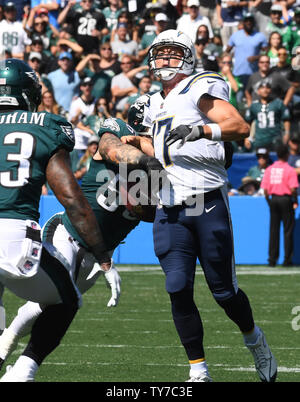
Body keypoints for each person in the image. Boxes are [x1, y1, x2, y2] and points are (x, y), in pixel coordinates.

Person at [142, 29, 277, 382]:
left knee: (224, 291)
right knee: (176, 287)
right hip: (169, 205)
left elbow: (239, 126)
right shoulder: (153, 103)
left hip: (206, 199)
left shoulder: (199, 86)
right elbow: (159, 150)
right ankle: (198, 370)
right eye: (160, 53)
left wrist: (202, 132)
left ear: (187, 57)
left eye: (172, 53)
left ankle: (254, 339)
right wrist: (120, 137)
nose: (165, 60)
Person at [0, 98, 161, 377]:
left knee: (55, 304)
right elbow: (112, 148)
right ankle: (9, 353)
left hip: (100, 248)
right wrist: (147, 160)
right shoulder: (120, 130)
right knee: (57, 301)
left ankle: (13, 356)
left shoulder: (166, 157)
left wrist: (148, 195)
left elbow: (147, 212)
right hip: (71, 232)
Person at [0, 58, 114, 382]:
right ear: (28, 94)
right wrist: (103, 257)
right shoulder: (46, 126)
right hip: (13, 235)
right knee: (67, 299)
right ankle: (22, 372)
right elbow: (72, 200)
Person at [261, 144, 299, 267]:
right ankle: (287, 259)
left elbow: (265, 190)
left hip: (274, 199)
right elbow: (293, 189)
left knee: (274, 230)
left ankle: (272, 259)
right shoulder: (290, 170)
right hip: (286, 199)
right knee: (288, 230)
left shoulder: (269, 169)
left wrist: (269, 201)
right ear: (287, 155)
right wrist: (295, 200)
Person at [225, 12, 268, 102]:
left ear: (253, 23)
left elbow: (267, 53)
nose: (248, 23)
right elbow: (227, 51)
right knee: (238, 100)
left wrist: (256, 57)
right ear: (243, 22)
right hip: (238, 74)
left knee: (254, 100)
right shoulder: (235, 35)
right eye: (246, 21)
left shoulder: (260, 36)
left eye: (250, 21)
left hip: (254, 74)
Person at [244, 81, 291, 150]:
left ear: (271, 90)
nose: (265, 90)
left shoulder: (278, 103)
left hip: (276, 139)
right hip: (259, 140)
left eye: (268, 88)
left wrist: (287, 133)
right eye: (262, 88)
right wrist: (247, 138)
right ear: (258, 91)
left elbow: (286, 119)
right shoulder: (254, 106)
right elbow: (248, 122)